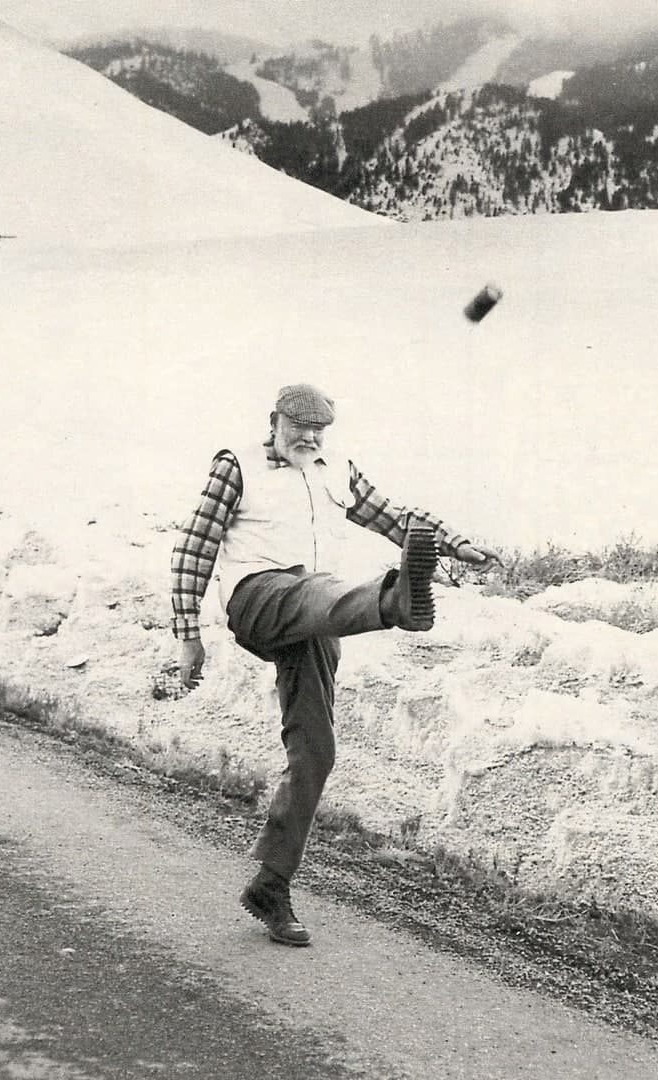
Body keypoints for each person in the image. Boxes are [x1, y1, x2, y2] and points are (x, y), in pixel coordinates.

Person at [171, 382, 500, 946]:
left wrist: (454, 543)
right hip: (259, 597)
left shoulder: (335, 469)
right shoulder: (237, 467)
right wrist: (187, 635)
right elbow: (195, 548)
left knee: (316, 750)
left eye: (319, 429)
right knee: (315, 590)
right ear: (273, 420)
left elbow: (395, 518)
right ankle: (394, 601)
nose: (310, 437)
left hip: (317, 616)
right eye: (298, 426)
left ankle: (271, 884)